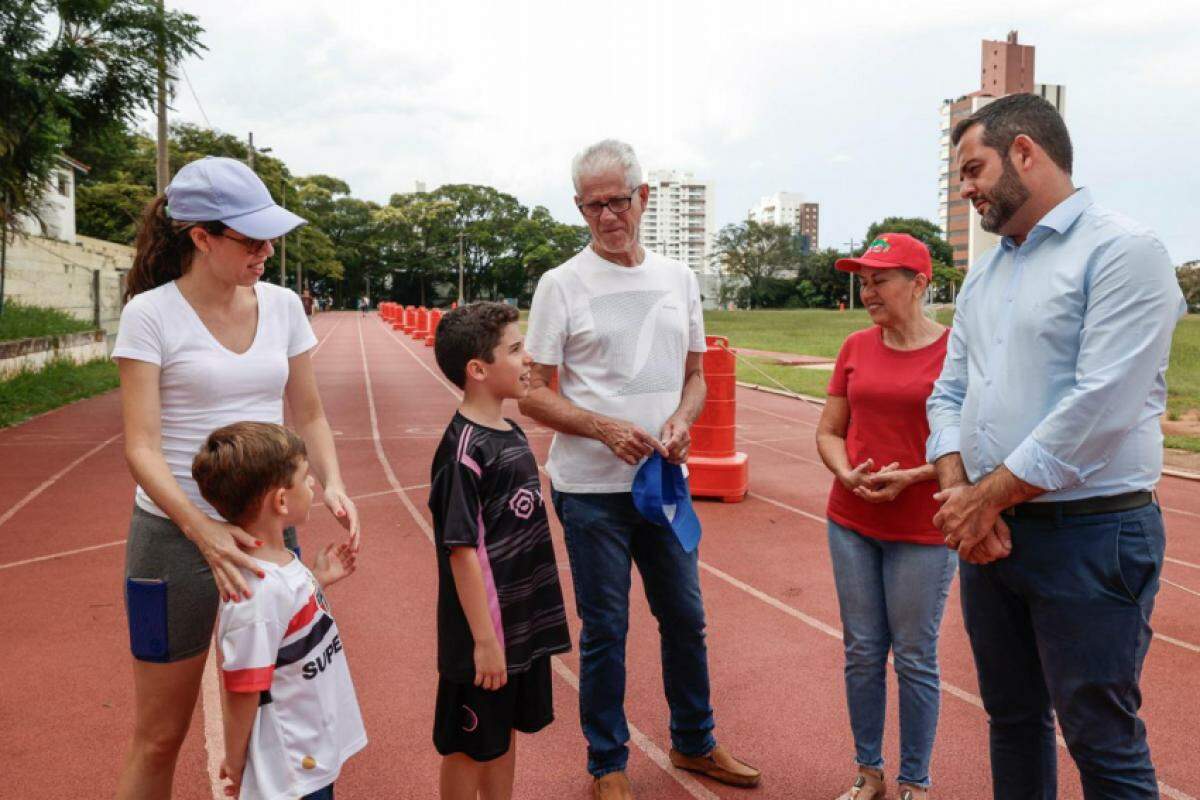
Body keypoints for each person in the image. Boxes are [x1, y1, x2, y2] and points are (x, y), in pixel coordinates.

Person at [927, 93, 1186, 798]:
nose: (966, 188)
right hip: (994, 533)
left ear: (1024, 153)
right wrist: (960, 490)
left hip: (1091, 535)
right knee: (1011, 719)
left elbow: (1099, 410)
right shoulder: (985, 271)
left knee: (1101, 739)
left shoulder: (1123, 251)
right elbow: (948, 391)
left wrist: (982, 499)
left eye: (973, 168)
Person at [113, 156, 361, 799]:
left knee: (283, 719)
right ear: (201, 237)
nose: (268, 251)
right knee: (160, 736)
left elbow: (308, 410)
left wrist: (331, 481)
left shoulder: (282, 307)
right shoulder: (150, 314)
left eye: (269, 236)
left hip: (268, 539)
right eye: (251, 240)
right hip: (173, 539)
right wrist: (201, 531)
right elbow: (139, 445)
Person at [520, 139, 760, 799]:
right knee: (606, 628)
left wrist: (683, 422)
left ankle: (695, 742)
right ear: (579, 208)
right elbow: (532, 390)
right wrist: (600, 426)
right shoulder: (560, 285)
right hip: (590, 491)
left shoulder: (679, 279)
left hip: (662, 487)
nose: (606, 216)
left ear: (642, 198)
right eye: (593, 205)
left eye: (617, 201)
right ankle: (608, 764)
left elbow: (695, 378)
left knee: (685, 616)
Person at [815, 233, 966, 800]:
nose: (866, 289)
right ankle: (869, 772)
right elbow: (829, 431)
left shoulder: (955, 352)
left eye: (880, 278)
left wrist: (915, 477)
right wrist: (845, 472)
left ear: (920, 282)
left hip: (923, 529)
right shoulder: (855, 346)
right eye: (863, 278)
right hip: (851, 520)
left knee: (916, 656)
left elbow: (973, 445)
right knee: (860, 651)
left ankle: (916, 782)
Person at [429, 302, 572, 800]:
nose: (527, 357)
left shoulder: (508, 432)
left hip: (519, 625)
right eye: (514, 349)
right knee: (469, 746)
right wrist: (485, 642)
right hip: (482, 636)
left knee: (504, 732)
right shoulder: (462, 450)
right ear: (477, 370)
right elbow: (461, 552)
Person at [192, 422, 366, 800]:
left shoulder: (280, 563)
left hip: (310, 748)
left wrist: (317, 580)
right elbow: (243, 688)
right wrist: (236, 760)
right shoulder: (255, 594)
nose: (313, 486)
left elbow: (289, 626)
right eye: (305, 478)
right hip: (290, 767)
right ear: (281, 501)